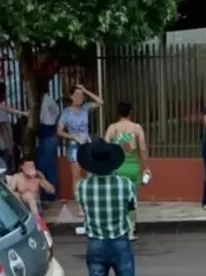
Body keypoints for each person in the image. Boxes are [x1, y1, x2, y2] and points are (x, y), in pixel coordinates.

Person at [75, 138, 152, 276]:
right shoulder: (125, 185)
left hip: (96, 243)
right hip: (120, 242)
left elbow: (82, 206)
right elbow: (131, 207)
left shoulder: (82, 187)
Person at [105, 101, 150, 241]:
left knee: (116, 199)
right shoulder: (136, 128)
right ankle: (131, 231)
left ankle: (117, 229)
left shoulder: (112, 128)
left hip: (116, 169)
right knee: (132, 200)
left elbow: (105, 146)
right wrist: (145, 167)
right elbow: (142, 149)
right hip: (133, 168)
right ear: (130, 112)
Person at [57, 83, 103, 217]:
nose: (80, 98)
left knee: (90, 174)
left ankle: (90, 202)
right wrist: (73, 136)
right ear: (71, 96)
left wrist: (86, 89)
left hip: (87, 145)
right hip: (74, 146)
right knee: (76, 177)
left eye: (81, 95)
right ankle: (80, 206)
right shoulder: (66, 112)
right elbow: (59, 131)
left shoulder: (85, 108)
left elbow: (100, 102)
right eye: (77, 95)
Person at [35, 87, 61, 204]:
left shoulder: (47, 100)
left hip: (47, 135)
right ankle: (49, 196)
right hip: (47, 135)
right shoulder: (47, 100)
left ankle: (48, 197)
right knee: (48, 168)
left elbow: (49, 116)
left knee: (45, 168)